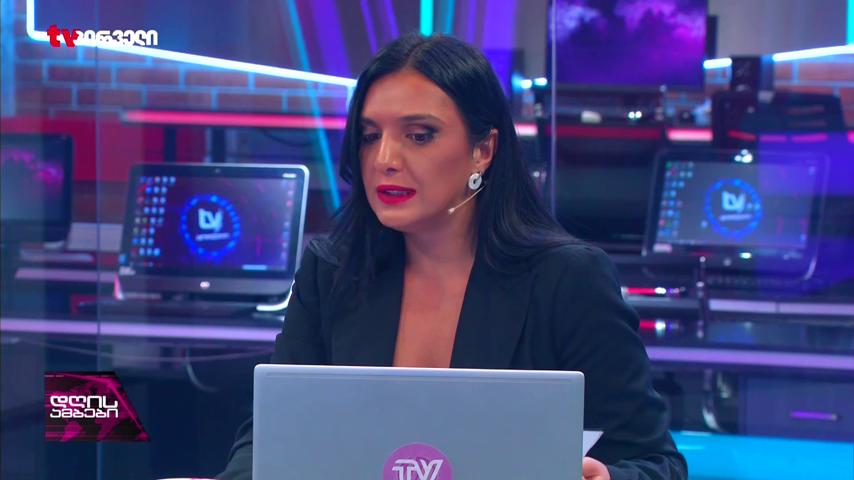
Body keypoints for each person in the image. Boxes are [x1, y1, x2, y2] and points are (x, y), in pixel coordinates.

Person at [217, 33, 687, 480]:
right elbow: (268, 441)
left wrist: (607, 476)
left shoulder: (567, 280)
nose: (384, 159)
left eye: (419, 135)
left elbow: (655, 462)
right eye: (370, 135)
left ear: (483, 150)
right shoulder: (332, 271)